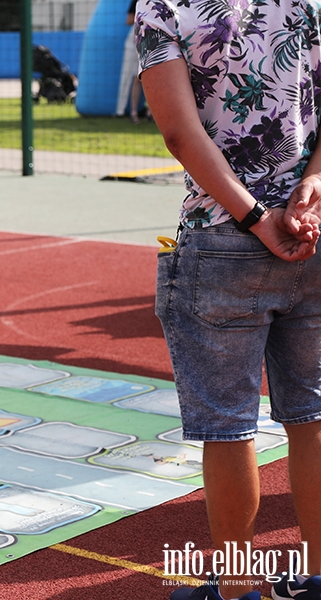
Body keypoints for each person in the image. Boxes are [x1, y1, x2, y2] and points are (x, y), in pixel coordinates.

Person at [137, 0, 321, 597]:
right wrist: (311, 190)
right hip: (311, 232)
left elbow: (178, 131)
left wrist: (252, 218)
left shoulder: (165, 6)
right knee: (313, 416)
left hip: (223, 236)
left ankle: (237, 587)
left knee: (229, 427)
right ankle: (317, 575)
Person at [115, 0, 150, 123]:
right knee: (136, 78)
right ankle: (133, 112)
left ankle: (150, 112)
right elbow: (129, 20)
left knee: (151, 77)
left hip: (153, 39)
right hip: (137, 39)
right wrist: (145, 19)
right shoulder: (137, 2)